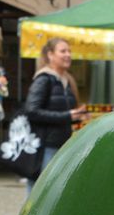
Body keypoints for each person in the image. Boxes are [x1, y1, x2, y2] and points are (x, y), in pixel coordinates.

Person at [23, 37, 87, 194]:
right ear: (50, 55)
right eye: (63, 51)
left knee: (55, 192)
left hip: (62, 144)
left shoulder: (67, 81)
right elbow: (32, 111)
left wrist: (78, 115)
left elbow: (64, 113)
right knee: (40, 193)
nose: (68, 55)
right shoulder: (44, 79)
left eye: (69, 51)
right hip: (45, 147)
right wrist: (67, 116)